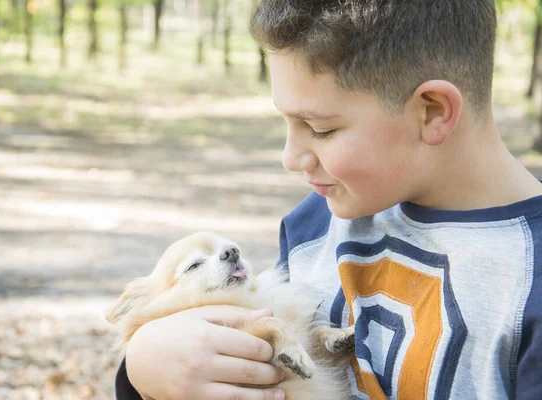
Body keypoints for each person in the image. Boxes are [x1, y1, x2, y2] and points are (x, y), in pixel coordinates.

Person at [115, 0, 542, 398]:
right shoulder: (312, 230)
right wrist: (142, 367)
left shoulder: (529, 284)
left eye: (319, 128)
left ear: (431, 111)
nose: (290, 158)